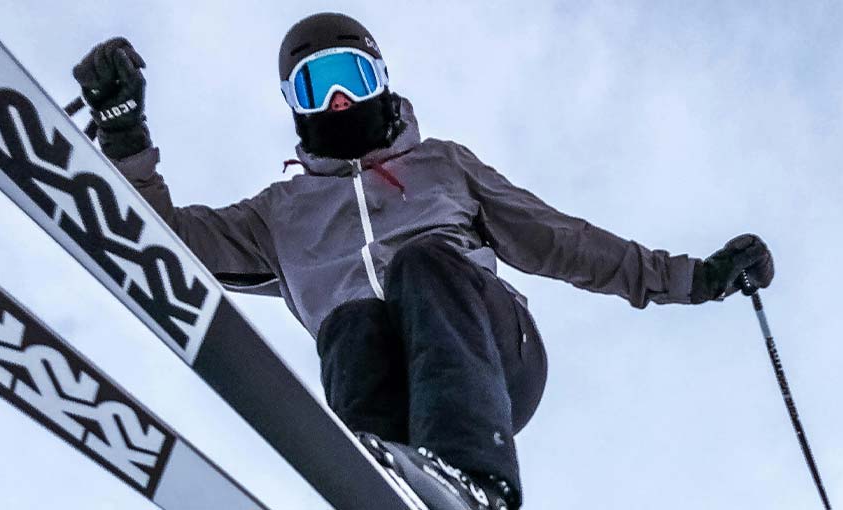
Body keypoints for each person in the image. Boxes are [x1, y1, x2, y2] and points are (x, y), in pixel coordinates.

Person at [72, 12, 774, 510]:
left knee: (421, 266)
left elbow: (565, 240)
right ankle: (383, 484)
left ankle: (475, 488)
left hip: (492, 357)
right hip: (390, 401)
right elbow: (155, 242)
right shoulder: (277, 215)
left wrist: (696, 277)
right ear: (296, 107)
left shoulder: (444, 166)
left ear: (382, 80)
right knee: (349, 324)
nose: (340, 98)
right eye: (318, 87)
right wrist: (124, 134)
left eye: (351, 76)